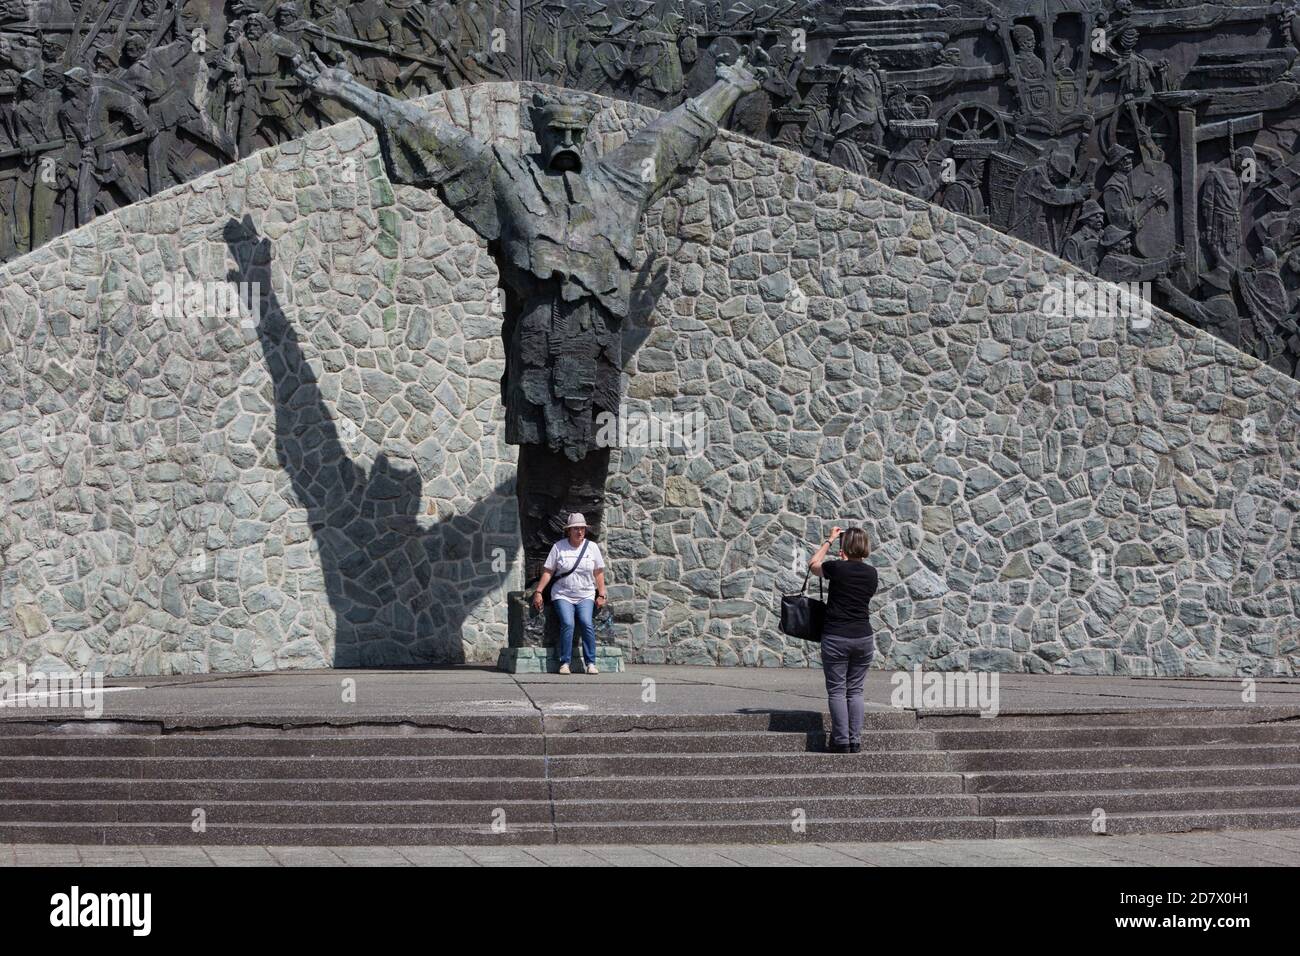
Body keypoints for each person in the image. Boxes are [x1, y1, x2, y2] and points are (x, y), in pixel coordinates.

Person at [809, 526, 879, 753]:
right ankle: (855, 740)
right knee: (856, 690)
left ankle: (841, 741)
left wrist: (829, 540)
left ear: (844, 547)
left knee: (838, 691)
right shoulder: (872, 573)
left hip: (836, 637)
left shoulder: (836, 568)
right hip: (863, 637)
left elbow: (813, 565)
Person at [531, 513, 608, 675]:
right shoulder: (559, 547)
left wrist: (601, 594)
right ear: (569, 531)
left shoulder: (592, 547)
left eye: (582, 529)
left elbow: (599, 572)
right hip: (563, 593)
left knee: (586, 622)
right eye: (575, 529)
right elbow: (548, 572)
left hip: (585, 593)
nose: (579, 532)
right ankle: (565, 662)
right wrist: (538, 591)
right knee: (568, 623)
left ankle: (590, 663)